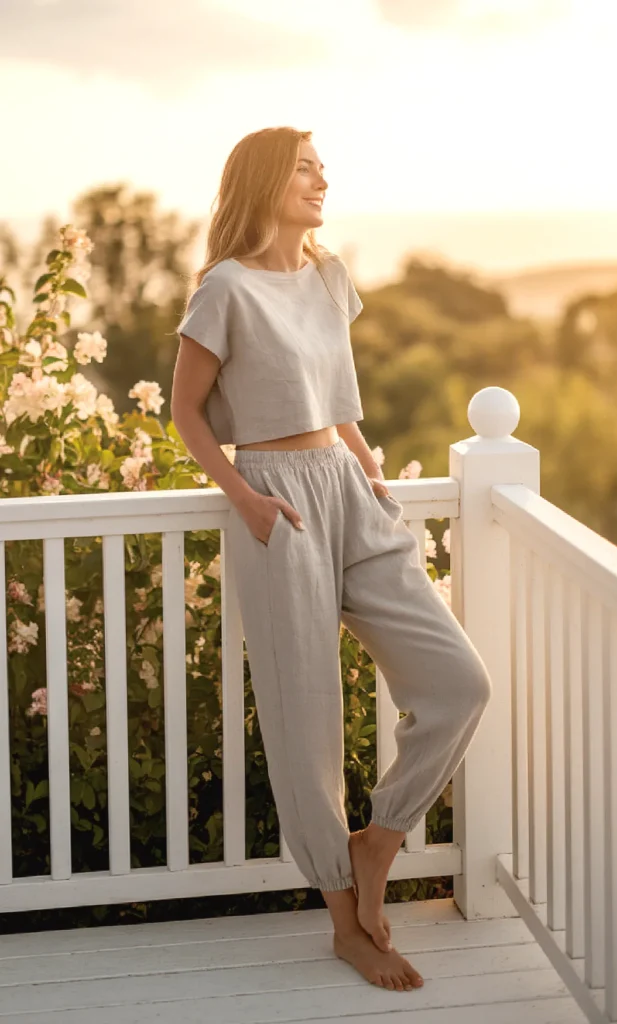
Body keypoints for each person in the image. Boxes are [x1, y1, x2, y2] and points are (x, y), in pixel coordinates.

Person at [171, 126, 492, 993]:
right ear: (266, 180)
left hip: (351, 489)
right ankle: (347, 920)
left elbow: (339, 395)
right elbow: (187, 412)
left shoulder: (328, 275)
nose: (321, 177)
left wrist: (369, 466)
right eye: (305, 166)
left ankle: (378, 836)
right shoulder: (225, 288)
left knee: (460, 682)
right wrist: (246, 499)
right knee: (305, 715)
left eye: (320, 166)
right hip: (277, 498)